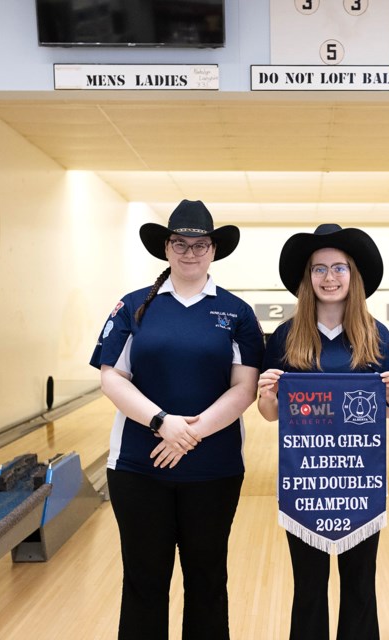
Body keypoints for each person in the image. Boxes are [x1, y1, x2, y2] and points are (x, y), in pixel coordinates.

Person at [89, 199, 264, 640]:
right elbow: (112, 379)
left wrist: (191, 432)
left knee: (207, 579)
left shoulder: (237, 312)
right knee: (145, 580)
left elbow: (244, 388)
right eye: (180, 243)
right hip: (137, 467)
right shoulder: (133, 307)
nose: (190, 252)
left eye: (199, 244)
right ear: (166, 248)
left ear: (213, 250)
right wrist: (162, 422)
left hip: (214, 468)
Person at [257, 224, 389, 640]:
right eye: (319, 269)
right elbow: (269, 413)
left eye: (339, 268)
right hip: (305, 481)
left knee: (360, 584)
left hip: (359, 481)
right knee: (308, 586)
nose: (329, 277)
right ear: (308, 278)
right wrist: (267, 392)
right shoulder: (288, 335)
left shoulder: (376, 335)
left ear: (353, 276)